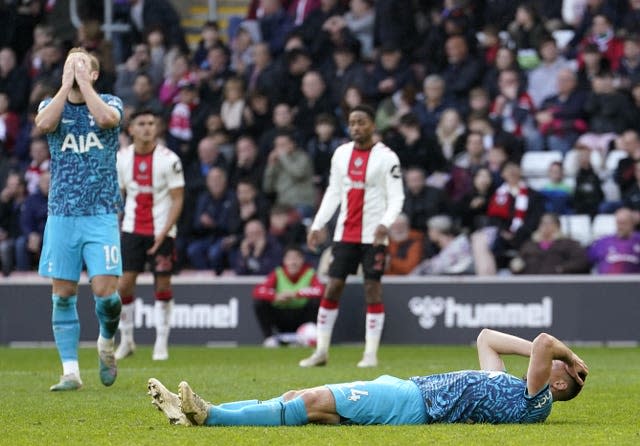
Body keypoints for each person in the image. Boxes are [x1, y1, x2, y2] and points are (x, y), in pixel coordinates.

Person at [147, 328, 588, 427]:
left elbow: (546, 341)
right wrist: (555, 358)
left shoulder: (536, 400)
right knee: (301, 396)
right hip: (407, 392)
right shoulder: (510, 389)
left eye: (555, 369)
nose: (541, 360)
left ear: (560, 383)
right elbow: (486, 338)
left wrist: (571, 356)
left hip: (413, 404)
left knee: (312, 399)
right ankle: (194, 412)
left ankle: (211, 418)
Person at [35, 48, 124, 391]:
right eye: (70, 64)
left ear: (95, 74)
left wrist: (84, 85)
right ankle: (70, 371)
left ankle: (105, 341)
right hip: (62, 214)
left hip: (100, 212)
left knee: (105, 292)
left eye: (82, 64)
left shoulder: (110, 102)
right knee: (62, 293)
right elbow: (44, 124)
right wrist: (65, 86)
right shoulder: (50, 104)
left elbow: (106, 121)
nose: (74, 69)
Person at [300, 104, 404, 368]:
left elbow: (397, 196)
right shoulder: (341, 154)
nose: (356, 127)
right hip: (345, 233)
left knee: (372, 288)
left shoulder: (387, 158)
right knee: (333, 286)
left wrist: (385, 222)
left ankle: (370, 354)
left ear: (373, 125)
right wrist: (318, 224)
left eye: (361, 122)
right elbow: (333, 192)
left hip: (374, 235)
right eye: (352, 123)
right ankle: (321, 351)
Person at [114, 110, 185, 361]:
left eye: (151, 124)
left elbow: (178, 200)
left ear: (157, 128)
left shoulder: (169, 159)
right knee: (123, 285)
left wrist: (164, 232)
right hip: (132, 228)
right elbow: (119, 195)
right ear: (131, 129)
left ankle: (161, 342)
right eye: (141, 124)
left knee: (163, 284)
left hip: (162, 230)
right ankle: (127, 340)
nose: (147, 128)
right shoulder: (122, 158)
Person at [252, 245, 324, 347]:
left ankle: (308, 336)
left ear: (302, 260)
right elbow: (258, 291)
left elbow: (320, 291)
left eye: (296, 258)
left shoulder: (310, 273)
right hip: (281, 316)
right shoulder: (278, 273)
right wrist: (276, 296)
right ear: (284, 260)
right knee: (259, 303)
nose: (293, 262)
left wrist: (296, 294)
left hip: (302, 316)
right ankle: (269, 338)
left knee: (316, 302)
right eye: (289, 258)